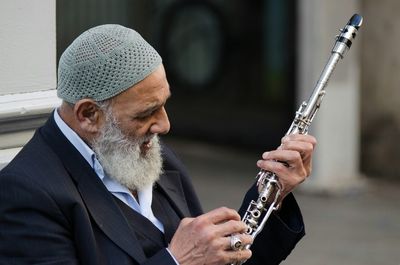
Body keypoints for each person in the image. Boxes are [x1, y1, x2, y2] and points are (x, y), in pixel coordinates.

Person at [0, 24, 316, 265]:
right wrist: (176, 261)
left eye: (163, 104)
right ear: (88, 115)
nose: (164, 125)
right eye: (146, 113)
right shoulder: (25, 193)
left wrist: (273, 194)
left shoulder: (146, 152)